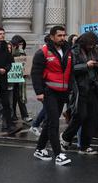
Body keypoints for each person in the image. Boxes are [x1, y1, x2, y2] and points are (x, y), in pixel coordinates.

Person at [30, 24, 73, 165]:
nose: (62, 38)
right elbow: (35, 73)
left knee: (49, 122)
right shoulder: (42, 52)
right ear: (52, 36)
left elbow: (70, 72)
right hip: (49, 92)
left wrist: (70, 89)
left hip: (63, 92)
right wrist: (39, 92)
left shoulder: (68, 50)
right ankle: (58, 154)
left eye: (64, 35)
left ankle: (39, 148)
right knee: (54, 122)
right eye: (59, 35)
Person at [62, 30, 98, 154]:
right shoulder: (74, 51)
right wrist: (86, 65)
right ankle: (65, 137)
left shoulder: (95, 51)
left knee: (91, 118)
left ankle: (85, 146)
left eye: (93, 45)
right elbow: (70, 68)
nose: (91, 47)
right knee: (80, 115)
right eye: (90, 44)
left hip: (93, 87)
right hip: (79, 88)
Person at [9, 36, 30, 123]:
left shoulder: (22, 51)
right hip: (13, 74)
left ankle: (24, 115)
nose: (21, 45)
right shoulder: (12, 50)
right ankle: (13, 115)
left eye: (22, 44)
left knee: (20, 96)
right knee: (13, 97)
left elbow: (25, 63)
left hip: (20, 75)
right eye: (19, 44)